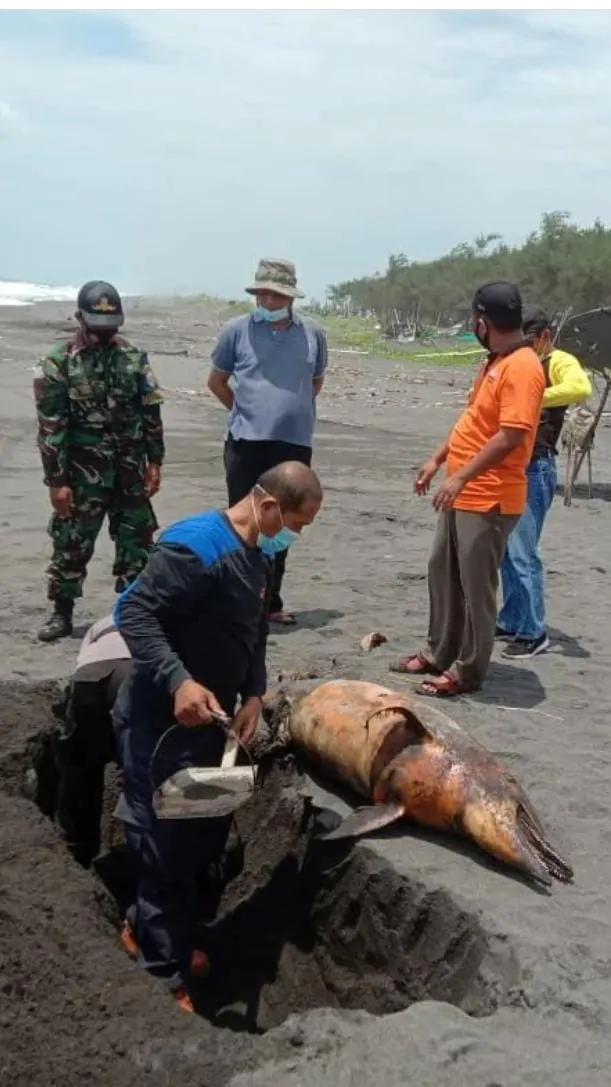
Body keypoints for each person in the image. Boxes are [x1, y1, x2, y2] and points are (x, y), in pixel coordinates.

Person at [112, 461, 323, 1010]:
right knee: (163, 848)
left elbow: (253, 634)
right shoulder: (195, 548)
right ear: (269, 505)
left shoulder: (258, 557)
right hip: (159, 723)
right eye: (295, 522)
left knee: (200, 843)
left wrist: (253, 694)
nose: (294, 535)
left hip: (210, 726)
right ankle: (161, 975)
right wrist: (178, 680)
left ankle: (157, 933)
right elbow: (133, 613)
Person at [392, 281, 546, 698]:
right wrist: (438, 460)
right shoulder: (495, 362)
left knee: (477, 588)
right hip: (462, 491)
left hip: (490, 495)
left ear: (483, 322)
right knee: (442, 572)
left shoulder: (523, 368)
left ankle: (470, 670)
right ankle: (439, 650)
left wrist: (460, 477)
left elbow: (511, 435)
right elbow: (473, 421)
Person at [33, 280, 164, 643]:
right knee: (72, 542)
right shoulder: (59, 362)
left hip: (129, 469)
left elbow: (150, 411)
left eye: (111, 326)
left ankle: (134, 612)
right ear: (79, 318)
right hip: (80, 473)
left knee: (137, 540)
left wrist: (155, 460)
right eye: (97, 326)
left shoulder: (134, 357)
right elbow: (51, 427)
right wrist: (56, 481)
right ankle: (61, 612)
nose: (105, 334)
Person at [207, 257, 328, 626]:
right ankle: (238, 602)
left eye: (277, 296)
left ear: (290, 297)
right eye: (263, 295)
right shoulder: (236, 331)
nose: (269, 303)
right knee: (244, 523)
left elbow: (315, 384)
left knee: (285, 523)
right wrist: (245, 413)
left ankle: (270, 602)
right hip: (247, 443)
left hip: (292, 446)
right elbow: (217, 382)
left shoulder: (312, 334)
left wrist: (289, 413)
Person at [496, 304, 592, 659]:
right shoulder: (519, 361)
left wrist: (533, 396)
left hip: (535, 467)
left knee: (524, 553)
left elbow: (580, 388)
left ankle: (534, 631)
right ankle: (511, 618)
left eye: (529, 342)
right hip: (512, 466)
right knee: (507, 551)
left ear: (544, 337)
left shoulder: (558, 361)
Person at [50, 613, 131, 867]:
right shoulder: (178, 615)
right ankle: (135, 853)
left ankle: (75, 848)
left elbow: (81, 669)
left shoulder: (105, 622)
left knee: (81, 767)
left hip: (91, 674)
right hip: (138, 673)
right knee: (145, 767)